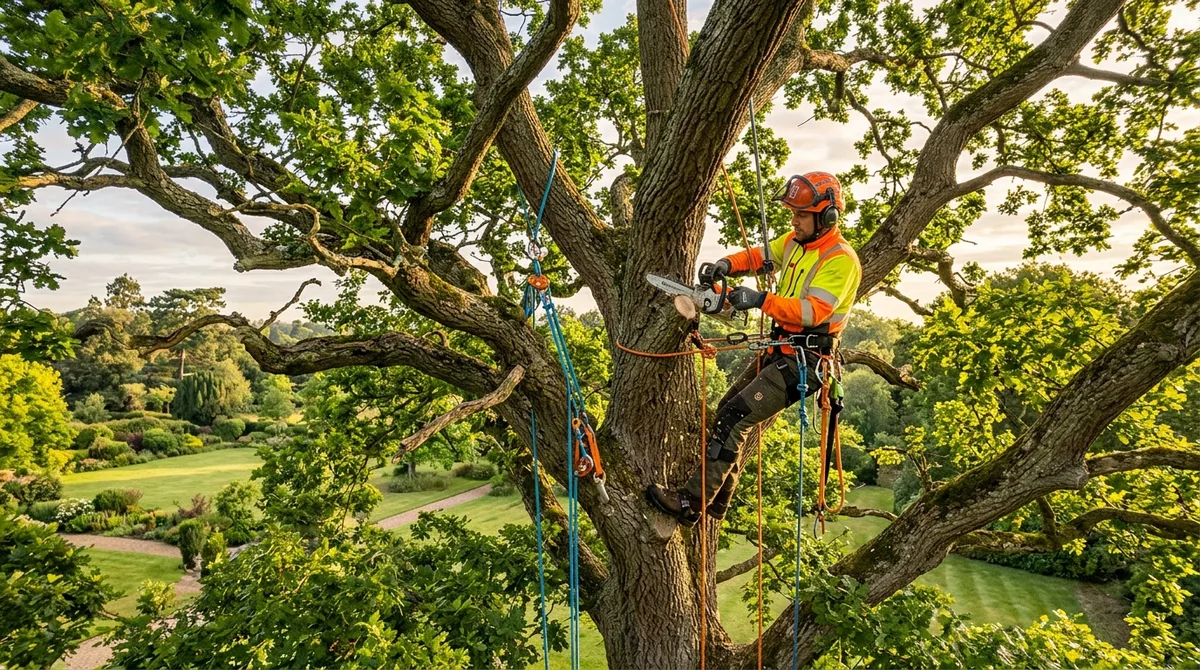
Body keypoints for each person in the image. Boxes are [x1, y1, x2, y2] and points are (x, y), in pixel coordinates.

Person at [646, 171, 862, 526]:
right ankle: (718, 500)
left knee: (734, 417)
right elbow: (760, 255)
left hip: (805, 361)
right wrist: (725, 265)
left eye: (801, 214)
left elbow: (812, 312)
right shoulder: (795, 242)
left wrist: (760, 299)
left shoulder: (840, 259)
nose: (794, 220)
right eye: (793, 213)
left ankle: (691, 502)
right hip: (782, 348)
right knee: (726, 409)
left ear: (827, 216)